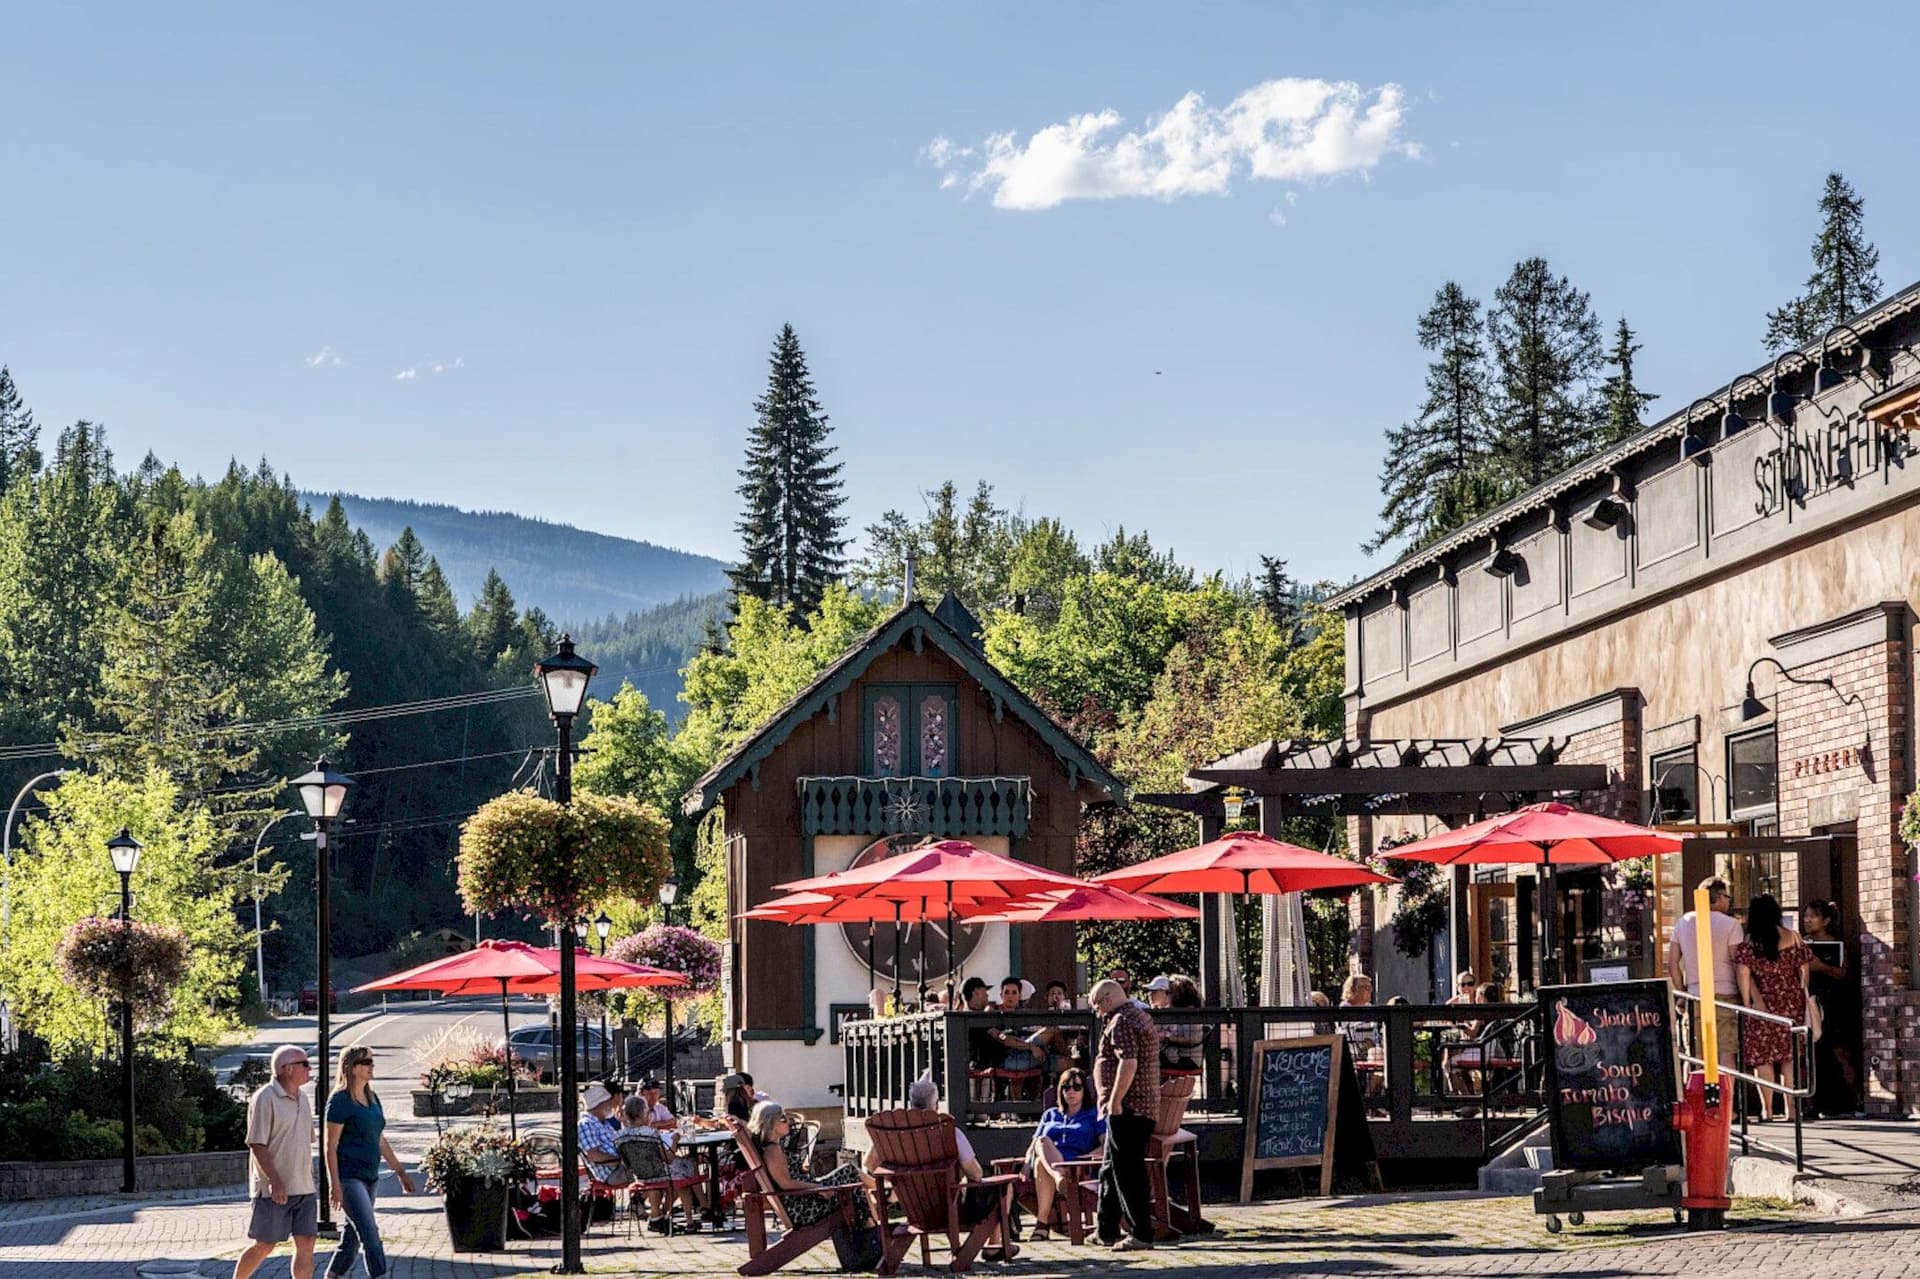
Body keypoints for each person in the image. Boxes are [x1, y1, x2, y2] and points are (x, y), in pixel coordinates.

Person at [322, 1046, 415, 1279]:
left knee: (351, 1239)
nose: (372, 1066)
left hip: (370, 1177)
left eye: (371, 1062)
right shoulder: (340, 1101)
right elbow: (330, 1146)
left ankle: (331, 1276)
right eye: (366, 1062)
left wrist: (400, 1172)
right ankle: (380, 1275)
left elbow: (380, 1139)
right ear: (352, 1068)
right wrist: (334, 1185)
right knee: (369, 1233)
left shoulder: (373, 1099)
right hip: (349, 1178)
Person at [235, 1045, 319, 1279]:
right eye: (304, 1064)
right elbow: (256, 1143)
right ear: (287, 1069)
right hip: (274, 1190)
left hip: (304, 1187)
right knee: (265, 1245)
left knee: (307, 1242)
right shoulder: (265, 1098)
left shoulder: (303, 1098)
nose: (309, 1068)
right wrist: (275, 1180)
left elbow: (305, 1141)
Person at [1089, 977, 1159, 1252]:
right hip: (1137, 1105)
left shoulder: (1122, 1021)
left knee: (1129, 1171)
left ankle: (1141, 1233)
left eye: (1096, 1005)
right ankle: (1105, 1229)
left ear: (1107, 999)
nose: (1097, 1012)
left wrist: (1115, 1101)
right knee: (1111, 1168)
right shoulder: (1138, 1016)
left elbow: (1128, 1063)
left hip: (1130, 1106)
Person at [749, 1101, 878, 1239]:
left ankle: (877, 1208)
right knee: (850, 1173)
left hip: (804, 1198)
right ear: (771, 1123)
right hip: (804, 1206)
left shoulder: (773, 1147)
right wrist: (819, 1188)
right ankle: (882, 1196)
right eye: (783, 1118)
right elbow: (786, 1183)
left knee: (853, 1181)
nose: (788, 1121)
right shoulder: (773, 1151)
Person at [1734, 893, 1811, 1119]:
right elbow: (1804, 968)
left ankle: (1767, 1109)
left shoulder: (1750, 941)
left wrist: (1747, 1001)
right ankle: (1791, 1108)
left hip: (1762, 1004)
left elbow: (1743, 972)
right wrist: (1802, 991)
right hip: (1790, 1001)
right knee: (1789, 1056)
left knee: (1763, 1057)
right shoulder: (1793, 937)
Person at [1668, 877, 1744, 1070]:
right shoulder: (1731, 924)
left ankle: (1695, 1090)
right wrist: (1744, 995)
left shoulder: (1683, 922)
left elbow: (1672, 963)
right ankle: (1728, 1091)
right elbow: (1737, 963)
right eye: (1728, 897)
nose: (1729, 902)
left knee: (1695, 1055)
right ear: (1719, 897)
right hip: (1726, 995)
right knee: (1727, 1053)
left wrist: (1682, 992)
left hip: (1695, 996)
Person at [1022, 1067, 1106, 1241]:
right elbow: (1033, 1146)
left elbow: (1105, 1146)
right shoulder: (1050, 1115)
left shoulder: (1093, 1115)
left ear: (1084, 1091)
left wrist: (1084, 1159)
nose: (1071, 1091)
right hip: (1051, 1166)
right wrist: (1026, 1164)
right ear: (1060, 1091)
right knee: (1041, 1144)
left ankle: (1042, 1226)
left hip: (1077, 1169)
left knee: (1041, 1161)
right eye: (1066, 1087)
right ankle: (1059, 1177)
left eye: (1077, 1087)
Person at [1802, 900, 1859, 1119]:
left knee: (1839, 1052)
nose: (1808, 921)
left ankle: (1851, 1099)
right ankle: (1812, 1102)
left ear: (1825, 920)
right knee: (1811, 1053)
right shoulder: (1801, 943)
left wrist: (1821, 966)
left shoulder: (1837, 944)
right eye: (1806, 916)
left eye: (1813, 916)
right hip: (1810, 1001)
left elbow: (1842, 972)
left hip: (1834, 1001)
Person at [618, 1089, 704, 1234]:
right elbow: (668, 1158)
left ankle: (662, 1215)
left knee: (681, 1169)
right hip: (661, 1173)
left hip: (640, 1175)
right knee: (687, 1166)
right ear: (644, 1114)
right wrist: (675, 1141)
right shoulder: (651, 1134)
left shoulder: (620, 1136)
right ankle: (691, 1218)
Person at [990, 977, 1043, 1099]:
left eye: (1014, 992)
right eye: (1007, 992)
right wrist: (1031, 1047)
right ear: (1001, 995)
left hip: (1025, 1051)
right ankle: (1018, 1105)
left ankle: (1033, 1103)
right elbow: (1002, 1038)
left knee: (1043, 1054)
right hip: (1004, 1056)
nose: (1010, 996)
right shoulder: (994, 1012)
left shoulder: (1025, 1014)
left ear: (1020, 996)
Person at [578, 1083, 633, 1188]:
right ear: (599, 1104)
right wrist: (620, 1159)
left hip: (622, 1166)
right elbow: (594, 1155)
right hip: (612, 1173)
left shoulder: (603, 1123)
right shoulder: (586, 1124)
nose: (611, 1105)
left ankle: (643, 1197)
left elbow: (621, 1140)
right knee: (652, 1171)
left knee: (658, 1167)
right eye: (608, 1102)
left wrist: (624, 1121)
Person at [1157, 975, 1205, 1075]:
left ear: (1179, 994)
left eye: (1168, 992)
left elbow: (1192, 1039)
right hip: (1172, 1056)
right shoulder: (1170, 1011)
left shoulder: (1191, 1014)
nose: (1166, 995)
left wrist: (1168, 1037)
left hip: (1187, 1059)